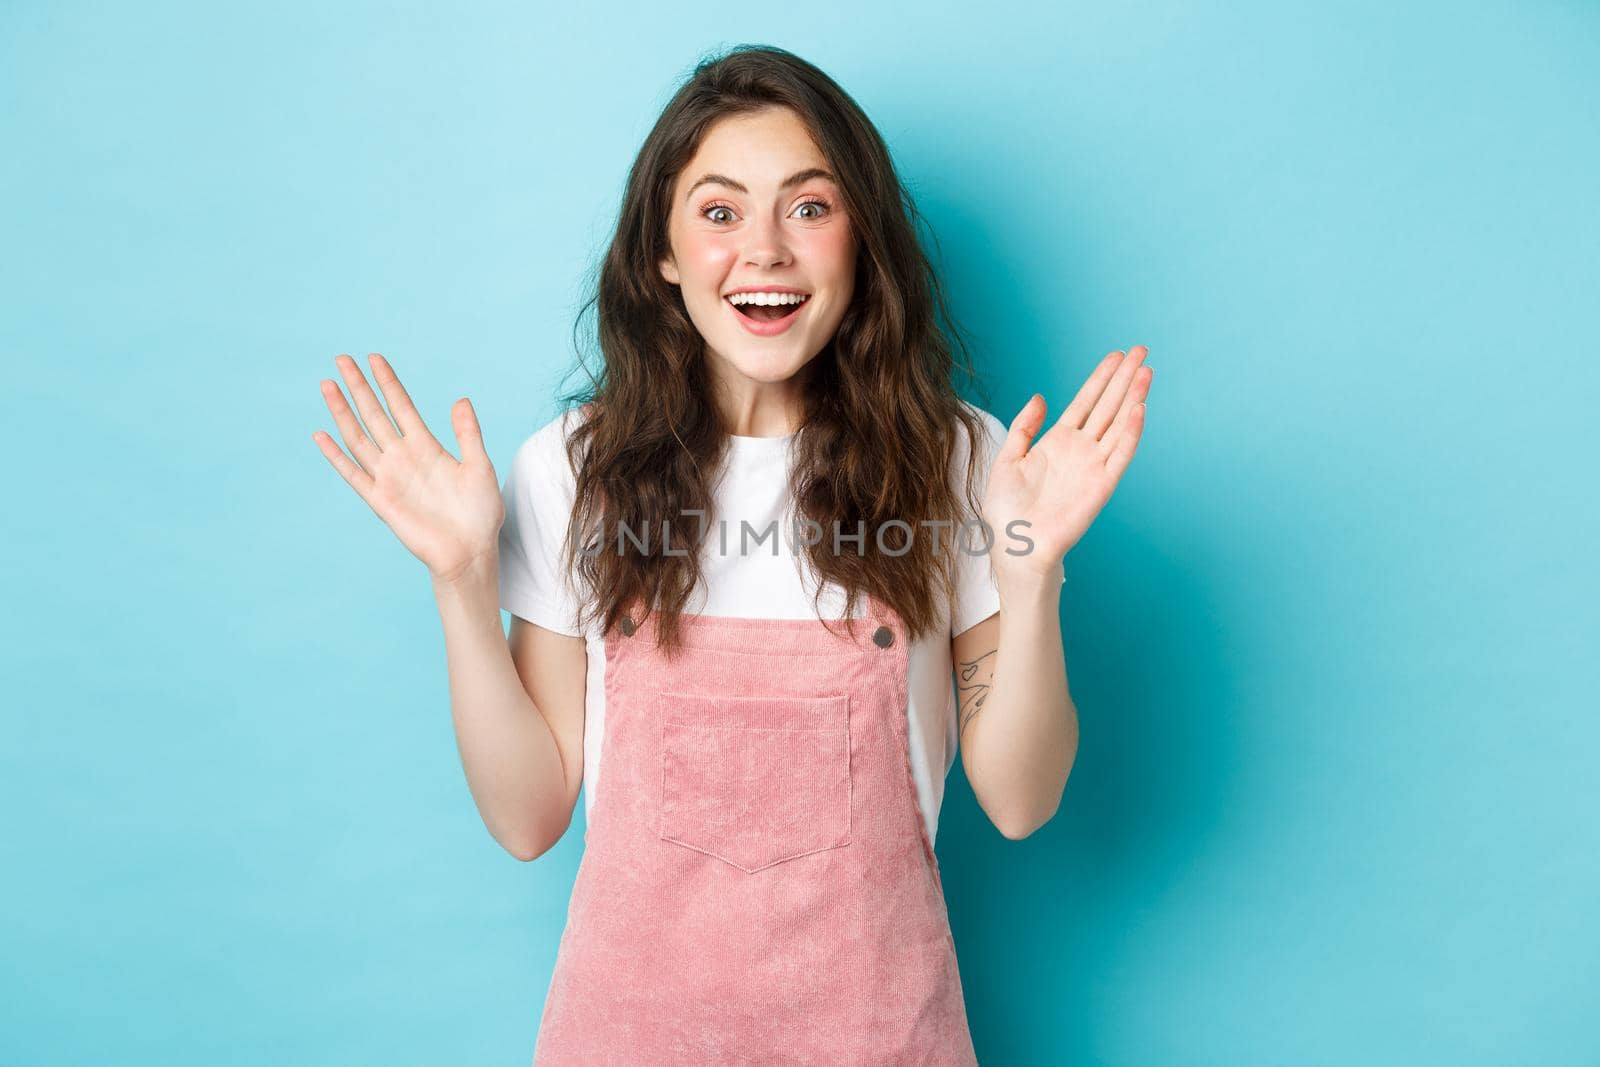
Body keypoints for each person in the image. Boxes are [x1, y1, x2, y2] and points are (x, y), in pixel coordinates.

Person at [312, 43, 1151, 1067]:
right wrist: (459, 582)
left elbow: (1022, 801)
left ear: (860, 243)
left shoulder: (963, 462)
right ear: (660, 253)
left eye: (808, 206)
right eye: (718, 212)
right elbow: (528, 816)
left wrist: (1030, 574)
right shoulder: (575, 469)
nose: (765, 249)